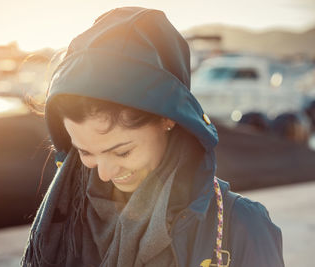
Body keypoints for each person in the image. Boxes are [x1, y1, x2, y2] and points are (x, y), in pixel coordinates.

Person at [22, 7, 284, 267]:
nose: (103, 173)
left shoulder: (243, 227)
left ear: (167, 119)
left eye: (121, 151)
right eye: (85, 152)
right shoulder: (62, 220)